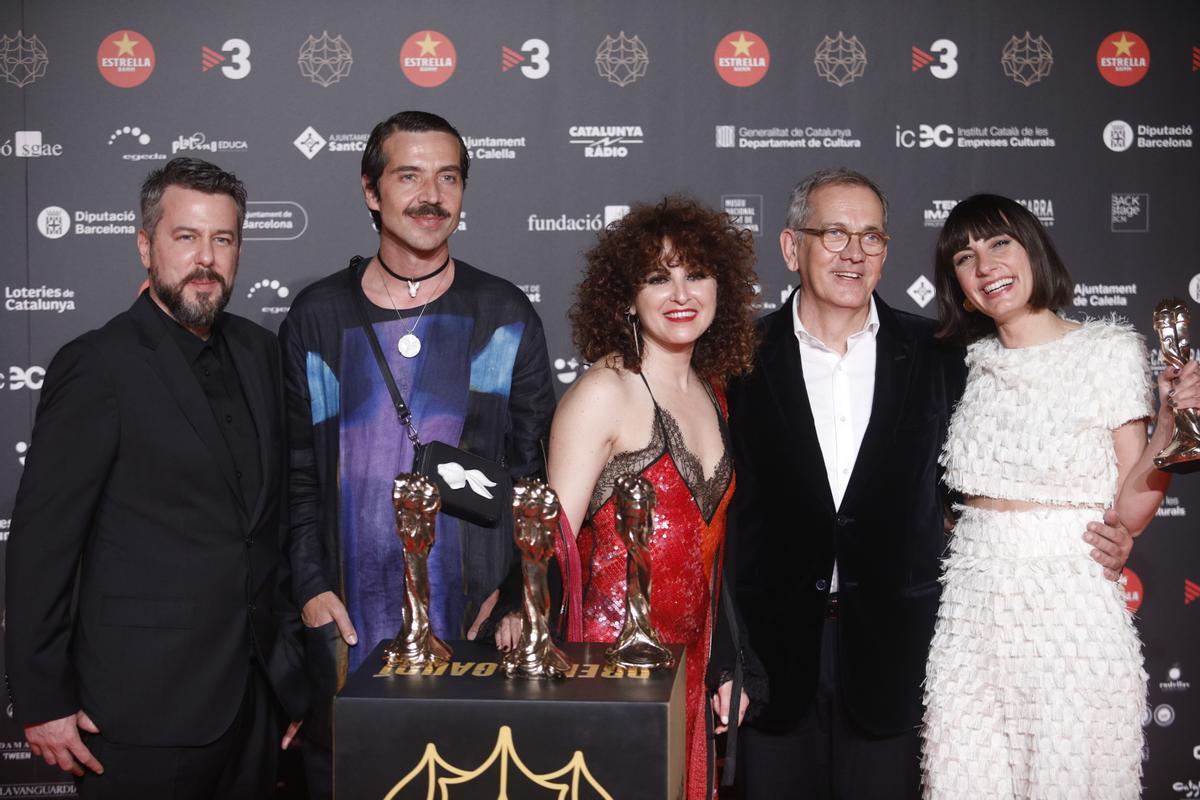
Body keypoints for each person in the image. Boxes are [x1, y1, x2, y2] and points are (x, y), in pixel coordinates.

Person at [710, 169, 1139, 799]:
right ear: (790, 246)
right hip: (768, 662)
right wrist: (726, 658)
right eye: (834, 233)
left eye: (872, 237)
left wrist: (1109, 531)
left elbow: (1014, 460)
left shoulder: (943, 354)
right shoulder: (735, 358)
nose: (853, 253)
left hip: (900, 660)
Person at [4, 157, 307, 799]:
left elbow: (266, 532)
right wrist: (41, 698)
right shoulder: (97, 366)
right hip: (139, 708)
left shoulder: (261, 353)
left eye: (223, 239)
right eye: (186, 237)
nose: (206, 258)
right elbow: (41, 546)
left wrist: (288, 676)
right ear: (145, 245)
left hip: (255, 705)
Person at [279, 110, 556, 799]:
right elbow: (297, 474)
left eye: (448, 177)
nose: (431, 195)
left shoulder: (504, 312)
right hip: (349, 628)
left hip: (475, 624)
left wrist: (520, 593)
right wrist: (312, 590)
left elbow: (535, 472)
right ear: (371, 191)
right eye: (409, 176)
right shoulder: (318, 317)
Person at [921, 194, 1200, 798]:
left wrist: (1173, 421)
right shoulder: (960, 363)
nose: (986, 265)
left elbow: (1130, 507)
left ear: (1032, 250)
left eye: (999, 243)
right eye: (965, 257)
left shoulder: (1107, 351)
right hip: (970, 612)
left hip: (1069, 608)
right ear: (959, 285)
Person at [541, 196, 758, 799]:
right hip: (609, 676)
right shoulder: (604, 391)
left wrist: (722, 664)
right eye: (657, 278)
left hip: (689, 673)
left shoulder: (714, 391)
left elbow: (709, 556)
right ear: (626, 296)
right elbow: (547, 546)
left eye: (696, 274)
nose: (681, 293)